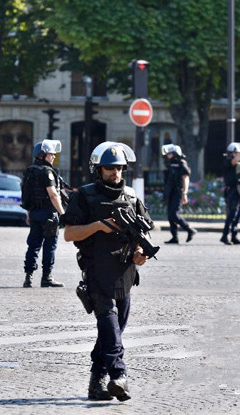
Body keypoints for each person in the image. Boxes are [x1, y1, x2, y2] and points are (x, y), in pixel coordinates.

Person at [62, 141, 154, 402]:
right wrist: (100, 225)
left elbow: (143, 231)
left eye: (120, 168)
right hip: (96, 268)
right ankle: (118, 375)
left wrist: (141, 253)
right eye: (110, 168)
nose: (116, 173)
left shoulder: (132, 196)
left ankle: (96, 382)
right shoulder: (84, 195)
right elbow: (69, 234)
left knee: (116, 326)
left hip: (124, 271)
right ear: (98, 169)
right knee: (108, 321)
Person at [21, 139, 66, 288]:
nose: (53, 156)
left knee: (33, 245)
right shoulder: (47, 172)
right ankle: (47, 277)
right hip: (48, 214)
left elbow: (28, 195)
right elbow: (53, 195)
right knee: (49, 246)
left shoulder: (30, 171)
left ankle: (28, 277)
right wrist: (63, 213)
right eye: (51, 154)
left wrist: (29, 214)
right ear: (43, 155)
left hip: (34, 213)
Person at [162, 144, 196, 244]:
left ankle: (190, 230)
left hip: (178, 192)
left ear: (175, 153)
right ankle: (174, 237)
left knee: (174, 214)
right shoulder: (170, 164)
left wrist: (185, 193)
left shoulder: (182, 163)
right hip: (170, 193)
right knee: (170, 216)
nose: (167, 155)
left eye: (169, 153)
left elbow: (185, 178)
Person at [221, 142, 240, 245]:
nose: (237, 154)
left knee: (238, 215)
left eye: (237, 152)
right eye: (235, 152)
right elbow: (235, 160)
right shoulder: (228, 161)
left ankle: (234, 236)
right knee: (232, 214)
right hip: (233, 190)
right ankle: (225, 236)